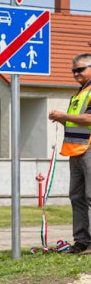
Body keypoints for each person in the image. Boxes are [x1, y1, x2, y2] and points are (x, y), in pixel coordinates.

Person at [49, 54, 91, 254]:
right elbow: (76, 121)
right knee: (77, 196)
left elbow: (89, 119)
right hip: (76, 150)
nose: (76, 74)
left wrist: (64, 116)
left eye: (80, 69)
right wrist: (61, 120)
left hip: (89, 149)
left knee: (90, 196)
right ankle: (82, 241)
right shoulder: (78, 93)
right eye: (73, 70)